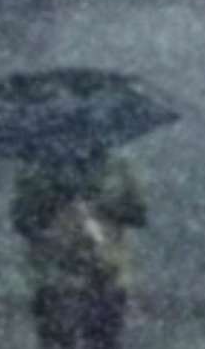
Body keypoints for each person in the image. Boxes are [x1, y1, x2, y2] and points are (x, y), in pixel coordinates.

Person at [11, 149, 147, 349]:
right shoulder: (37, 170)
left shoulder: (118, 167)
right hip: (54, 274)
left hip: (106, 270)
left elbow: (138, 214)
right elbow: (22, 220)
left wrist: (102, 202)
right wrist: (54, 200)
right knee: (56, 339)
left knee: (104, 339)